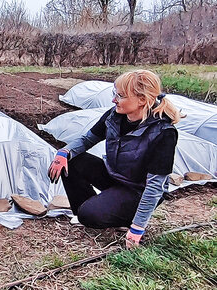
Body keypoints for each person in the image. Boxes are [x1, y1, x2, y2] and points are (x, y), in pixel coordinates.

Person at [48, 70, 181, 248]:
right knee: (72, 161)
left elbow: (155, 186)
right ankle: (92, 212)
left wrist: (137, 228)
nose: (114, 100)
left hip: (138, 190)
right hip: (116, 176)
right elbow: (88, 139)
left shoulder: (163, 133)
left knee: (90, 214)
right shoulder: (115, 115)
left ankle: (115, 217)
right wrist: (64, 152)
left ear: (142, 99)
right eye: (115, 94)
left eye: (121, 96)